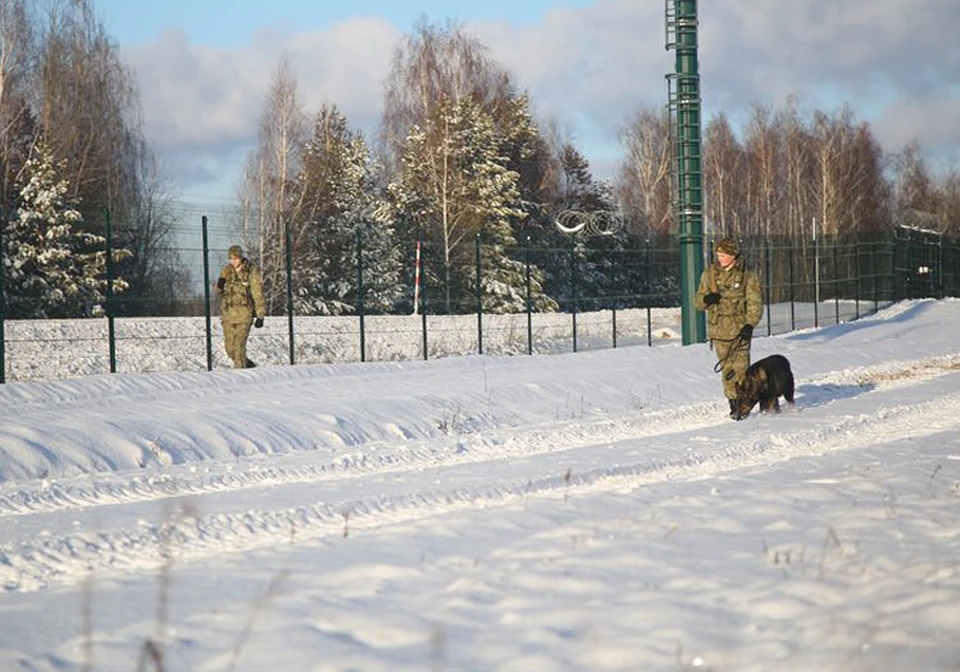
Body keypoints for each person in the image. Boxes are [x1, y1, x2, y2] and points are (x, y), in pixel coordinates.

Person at [695, 237, 763, 419]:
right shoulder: (709, 275)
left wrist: (750, 324)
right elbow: (697, 303)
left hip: (740, 331)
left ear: (733, 255)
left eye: (724, 255)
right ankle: (733, 404)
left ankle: (743, 403)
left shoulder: (747, 275)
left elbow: (755, 303)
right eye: (718, 255)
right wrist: (706, 300)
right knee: (727, 370)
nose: (721, 258)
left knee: (741, 369)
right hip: (719, 331)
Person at [216, 245, 265, 369]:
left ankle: (240, 375)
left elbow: (257, 293)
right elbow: (218, 291)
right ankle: (247, 365)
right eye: (231, 258)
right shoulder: (226, 271)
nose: (233, 261)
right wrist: (220, 282)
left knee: (239, 348)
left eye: (236, 258)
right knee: (230, 349)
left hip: (244, 315)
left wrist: (260, 315)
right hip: (228, 316)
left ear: (241, 257)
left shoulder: (250, 271)